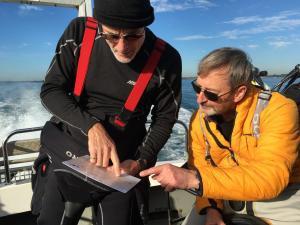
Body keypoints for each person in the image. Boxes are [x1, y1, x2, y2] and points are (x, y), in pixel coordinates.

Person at [35, 0, 182, 224]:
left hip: (122, 165)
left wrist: (139, 162)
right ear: (100, 25)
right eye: (112, 36)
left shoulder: (167, 59)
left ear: (146, 26)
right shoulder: (79, 33)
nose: (122, 47)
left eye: (133, 35)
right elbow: (50, 90)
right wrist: (92, 126)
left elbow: (165, 119)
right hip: (67, 151)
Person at [140, 47, 300, 225]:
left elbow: (270, 178)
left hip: (280, 201)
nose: (200, 99)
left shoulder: (278, 109)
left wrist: (193, 179)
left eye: (210, 94)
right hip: (221, 195)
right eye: (197, 87)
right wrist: (211, 209)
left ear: (239, 93)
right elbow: (200, 164)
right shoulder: (199, 119)